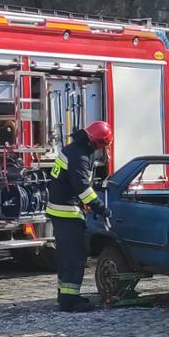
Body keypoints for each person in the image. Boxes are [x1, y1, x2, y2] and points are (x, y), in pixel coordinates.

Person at [47, 121, 111, 312]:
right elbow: (82, 187)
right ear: (95, 141)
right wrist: (100, 207)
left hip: (63, 209)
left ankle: (66, 296)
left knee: (67, 257)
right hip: (67, 212)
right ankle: (70, 301)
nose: (102, 149)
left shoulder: (74, 149)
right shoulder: (80, 156)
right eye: (102, 145)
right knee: (74, 258)